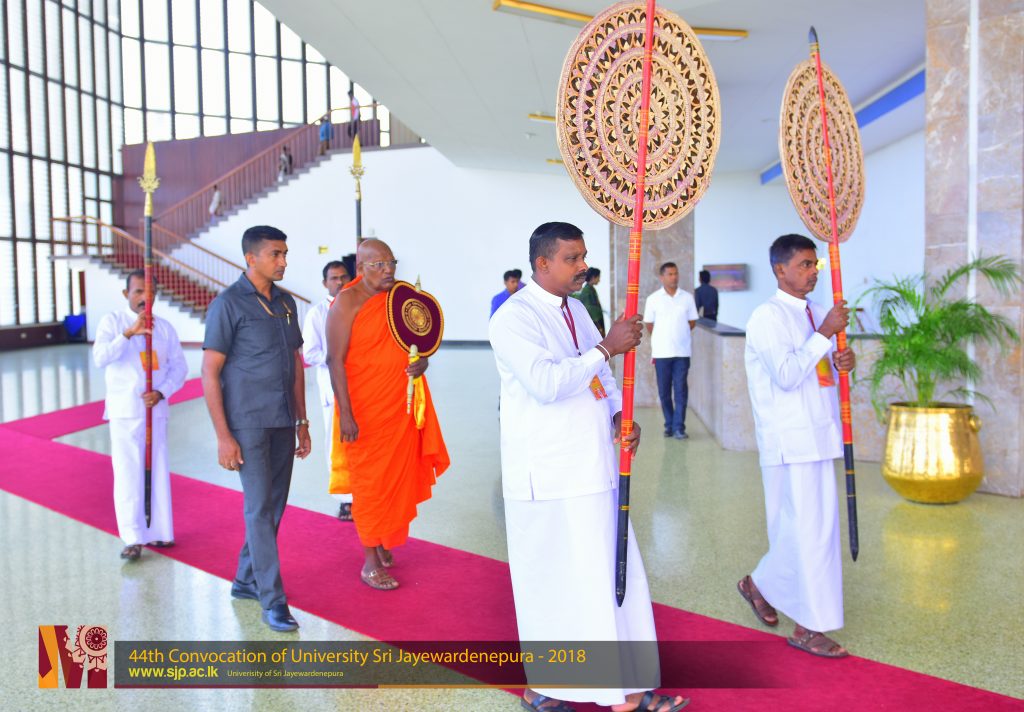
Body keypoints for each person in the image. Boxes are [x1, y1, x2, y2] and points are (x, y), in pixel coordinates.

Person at [490, 222, 687, 712]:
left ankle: (622, 687)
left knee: (607, 579)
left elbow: (600, 378)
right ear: (542, 263)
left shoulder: (576, 308)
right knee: (559, 584)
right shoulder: (513, 317)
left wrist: (619, 414)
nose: (583, 266)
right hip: (551, 474)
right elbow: (546, 383)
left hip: (593, 463)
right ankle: (569, 687)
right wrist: (607, 347)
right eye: (572, 258)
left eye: (583, 256)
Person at [738, 233, 855, 659]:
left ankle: (758, 585)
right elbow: (787, 375)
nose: (813, 272)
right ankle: (807, 626)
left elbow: (822, 375)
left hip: (820, 435)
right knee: (805, 534)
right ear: (779, 269)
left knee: (813, 533)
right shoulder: (767, 317)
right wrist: (824, 335)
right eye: (805, 264)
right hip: (789, 440)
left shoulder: (819, 313)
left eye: (815, 265)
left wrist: (844, 364)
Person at [201, 225, 311, 633]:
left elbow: (296, 363)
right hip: (247, 423)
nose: (283, 261)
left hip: (283, 419)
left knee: (273, 507)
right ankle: (273, 600)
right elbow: (209, 373)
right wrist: (223, 436)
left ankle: (246, 579)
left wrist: (302, 421)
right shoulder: (227, 304)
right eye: (275, 254)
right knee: (260, 508)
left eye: (285, 253)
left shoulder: (286, 303)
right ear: (251, 258)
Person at [326, 239, 449, 591]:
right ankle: (369, 561)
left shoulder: (399, 297)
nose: (388, 270)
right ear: (360, 268)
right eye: (378, 265)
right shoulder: (346, 302)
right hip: (363, 411)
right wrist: (346, 415)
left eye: (391, 262)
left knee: (395, 478)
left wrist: (423, 362)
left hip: (399, 407)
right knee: (369, 484)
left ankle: (381, 542)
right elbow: (334, 361)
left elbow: (417, 339)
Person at [93, 271, 187, 561]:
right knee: (128, 474)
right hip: (124, 412)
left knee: (157, 469)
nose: (146, 298)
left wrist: (161, 392)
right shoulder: (112, 322)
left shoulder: (165, 328)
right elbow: (100, 358)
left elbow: (179, 368)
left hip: (155, 411)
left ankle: (160, 531)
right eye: (138, 292)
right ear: (126, 294)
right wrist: (128, 334)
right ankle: (133, 538)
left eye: (151, 293)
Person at [302, 260, 353, 521]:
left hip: (362, 387)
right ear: (325, 283)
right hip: (333, 390)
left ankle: (365, 492)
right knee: (337, 444)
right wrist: (337, 358)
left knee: (363, 443)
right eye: (334, 278)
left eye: (344, 277)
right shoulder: (317, 314)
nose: (340, 282)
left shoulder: (359, 307)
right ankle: (345, 500)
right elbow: (310, 354)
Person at [643, 262, 698, 440]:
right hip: (661, 353)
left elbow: (692, 322)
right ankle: (669, 424)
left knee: (681, 390)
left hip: (682, 353)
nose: (674, 277)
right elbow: (649, 324)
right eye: (670, 274)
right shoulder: (653, 299)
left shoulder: (687, 298)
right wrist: (663, 337)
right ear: (662, 277)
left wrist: (679, 334)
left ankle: (679, 427)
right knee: (664, 392)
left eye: (676, 273)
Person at [573, 266, 606, 336]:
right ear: (593, 277)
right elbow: (590, 310)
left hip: (596, 323)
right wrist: (598, 326)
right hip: (594, 324)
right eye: (598, 277)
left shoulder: (591, 289)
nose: (599, 280)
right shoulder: (587, 291)